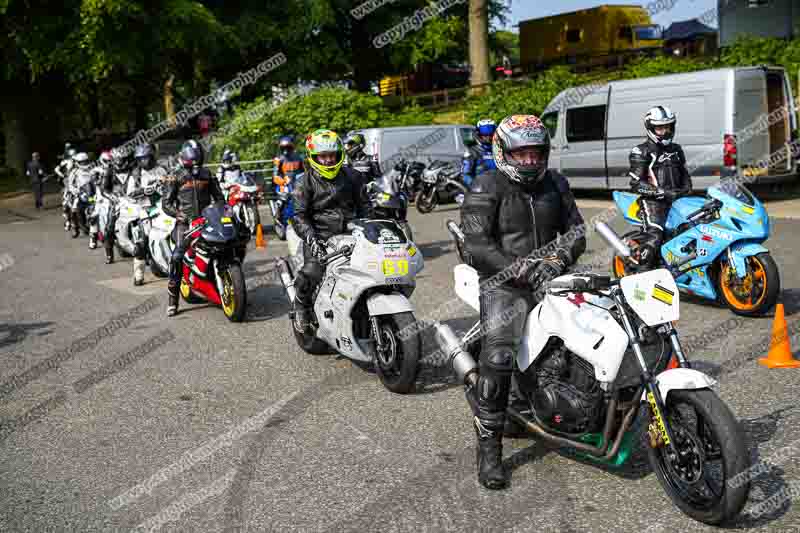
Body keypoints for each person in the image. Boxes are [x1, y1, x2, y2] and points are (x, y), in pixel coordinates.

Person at [460, 115, 586, 490]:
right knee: (498, 357)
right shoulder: (486, 184)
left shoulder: (556, 183)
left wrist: (557, 260)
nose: (530, 162)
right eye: (521, 154)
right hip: (503, 283)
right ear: (503, 152)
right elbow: (477, 244)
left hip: (553, 276)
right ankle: (489, 449)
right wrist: (521, 271)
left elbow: (576, 230)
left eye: (536, 154)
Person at [291, 129, 366, 332]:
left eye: (331, 155)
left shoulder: (353, 176)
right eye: (322, 156)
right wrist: (311, 238)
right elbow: (298, 215)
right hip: (320, 236)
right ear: (314, 157)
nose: (327, 160)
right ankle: (301, 305)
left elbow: (365, 207)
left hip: (353, 235)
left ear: (339, 154)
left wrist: (372, 226)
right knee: (312, 271)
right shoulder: (303, 182)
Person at [161, 139, 224, 316]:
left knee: (228, 243)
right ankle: (173, 300)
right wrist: (178, 215)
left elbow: (219, 198)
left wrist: (224, 211)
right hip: (185, 223)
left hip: (207, 220)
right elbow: (166, 203)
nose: (195, 165)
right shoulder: (175, 176)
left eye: (197, 161)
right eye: (192, 161)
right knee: (177, 256)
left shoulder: (208, 174)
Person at [628, 106, 693, 266]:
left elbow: (684, 173)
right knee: (655, 236)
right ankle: (642, 273)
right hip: (653, 203)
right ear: (650, 128)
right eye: (660, 127)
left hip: (677, 201)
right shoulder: (641, 151)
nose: (665, 131)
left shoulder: (677, 149)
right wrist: (662, 193)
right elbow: (635, 183)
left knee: (695, 228)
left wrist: (687, 189)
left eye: (668, 126)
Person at [125, 143, 168, 285]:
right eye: (141, 158)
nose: (144, 161)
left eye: (146, 157)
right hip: (145, 210)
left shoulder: (162, 169)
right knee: (142, 242)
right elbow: (130, 194)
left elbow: (173, 181)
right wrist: (144, 190)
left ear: (152, 156)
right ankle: (138, 273)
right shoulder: (135, 175)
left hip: (165, 207)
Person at [462, 119, 497, 190]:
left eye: (491, 135)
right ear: (479, 135)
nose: (488, 139)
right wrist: (476, 186)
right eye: (485, 136)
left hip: (500, 188)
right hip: (480, 190)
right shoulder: (472, 151)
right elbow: (465, 175)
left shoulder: (501, 149)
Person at [56, 148, 77, 231]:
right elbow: (56, 169)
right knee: (66, 201)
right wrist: (63, 175)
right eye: (72, 155)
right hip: (68, 182)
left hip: (78, 182)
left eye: (74, 154)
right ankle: (68, 221)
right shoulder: (65, 162)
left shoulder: (79, 161)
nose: (73, 156)